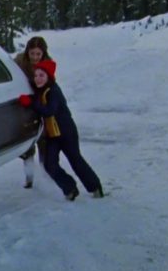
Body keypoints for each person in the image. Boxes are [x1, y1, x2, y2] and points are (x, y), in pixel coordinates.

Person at [19, 59, 104, 201]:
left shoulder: (54, 91)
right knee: (50, 165)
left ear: (49, 77)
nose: (38, 79)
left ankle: (95, 187)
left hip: (67, 133)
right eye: (36, 75)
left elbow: (49, 110)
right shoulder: (41, 89)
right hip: (53, 136)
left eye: (42, 75)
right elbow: (37, 99)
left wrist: (31, 102)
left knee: (76, 161)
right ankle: (70, 188)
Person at [14, 36, 52, 189]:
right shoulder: (19, 62)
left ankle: (46, 171)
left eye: (38, 54)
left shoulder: (48, 64)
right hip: (24, 105)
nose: (35, 57)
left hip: (41, 104)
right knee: (27, 142)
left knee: (44, 140)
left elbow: (51, 86)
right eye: (32, 53)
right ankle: (29, 176)